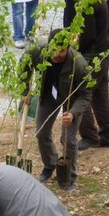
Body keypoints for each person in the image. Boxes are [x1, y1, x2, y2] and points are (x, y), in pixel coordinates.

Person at [26, 29, 91, 190]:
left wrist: (73, 113)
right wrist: (24, 90)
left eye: (61, 51)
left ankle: (69, 177)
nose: (55, 54)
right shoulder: (37, 50)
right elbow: (24, 65)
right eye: (53, 49)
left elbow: (86, 94)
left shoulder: (79, 64)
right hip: (48, 94)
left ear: (68, 47)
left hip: (71, 99)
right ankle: (50, 164)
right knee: (41, 132)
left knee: (68, 139)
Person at [74, 0, 109, 151]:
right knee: (99, 95)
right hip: (104, 50)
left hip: (95, 53)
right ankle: (108, 135)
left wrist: (76, 49)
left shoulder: (88, 0)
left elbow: (88, 35)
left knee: (80, 94)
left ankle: (90, 136)